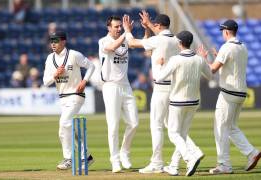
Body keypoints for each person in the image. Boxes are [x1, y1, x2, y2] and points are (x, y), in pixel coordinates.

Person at [123, 12, 204, 174]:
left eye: (155, 24)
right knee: (172, 128)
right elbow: (161, 35)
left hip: (160, 88)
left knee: (157, 125)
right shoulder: (177, 40)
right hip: (175, 89)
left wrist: (126, 29)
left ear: (158, 26)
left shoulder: (157, 40)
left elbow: (131, 43)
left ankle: (157, 163)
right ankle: (194, 150)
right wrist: (149, 25)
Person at [198, 19, 261, 174]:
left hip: (228, 93)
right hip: (241, 92)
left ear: (226, 32)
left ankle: (224, 164)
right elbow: (233, 64)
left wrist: (203, 58)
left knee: (220, 128)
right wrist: (219, 55)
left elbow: (212, 69)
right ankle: (252, 153)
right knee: (231, 127)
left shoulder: (226, 47)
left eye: (222, 31)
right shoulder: (243, 46)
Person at [155, 30, 212, 176]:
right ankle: (173, 166)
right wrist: (204, 59)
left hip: (178, 102)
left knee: (174, 134)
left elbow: (159, 78)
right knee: (183, 134)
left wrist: (160, 65)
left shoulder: (175, 59)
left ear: (180, 43)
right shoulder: (199, 59)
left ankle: (190, 157)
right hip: (194, 102)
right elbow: (211, 75)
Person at [43, 31, 95, 170]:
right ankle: (87, 156)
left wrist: (84, 81)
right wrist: (55, 74)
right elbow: (45, 82)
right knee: (64, 130)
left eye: (56, 41)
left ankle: (69, 159)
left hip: (76, 94)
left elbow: (91, 66)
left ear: (63, 41)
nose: (53, 44)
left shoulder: (73, 55)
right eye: (51, 41)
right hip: (63, 98)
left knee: (64, 123)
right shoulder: (50, 59)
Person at [98, 15, 139, 173]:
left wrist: (147, 29)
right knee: (113, 125)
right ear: (109, 28)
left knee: (134, 123)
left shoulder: (125, 38)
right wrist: (126, 32)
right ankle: (115, 159)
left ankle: (124, 152)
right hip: (110, 86)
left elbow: (137, 44)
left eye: (120, 26)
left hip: (125, 85)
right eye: (116, 26)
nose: (118, 28)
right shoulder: (103, 41)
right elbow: (111, 48)